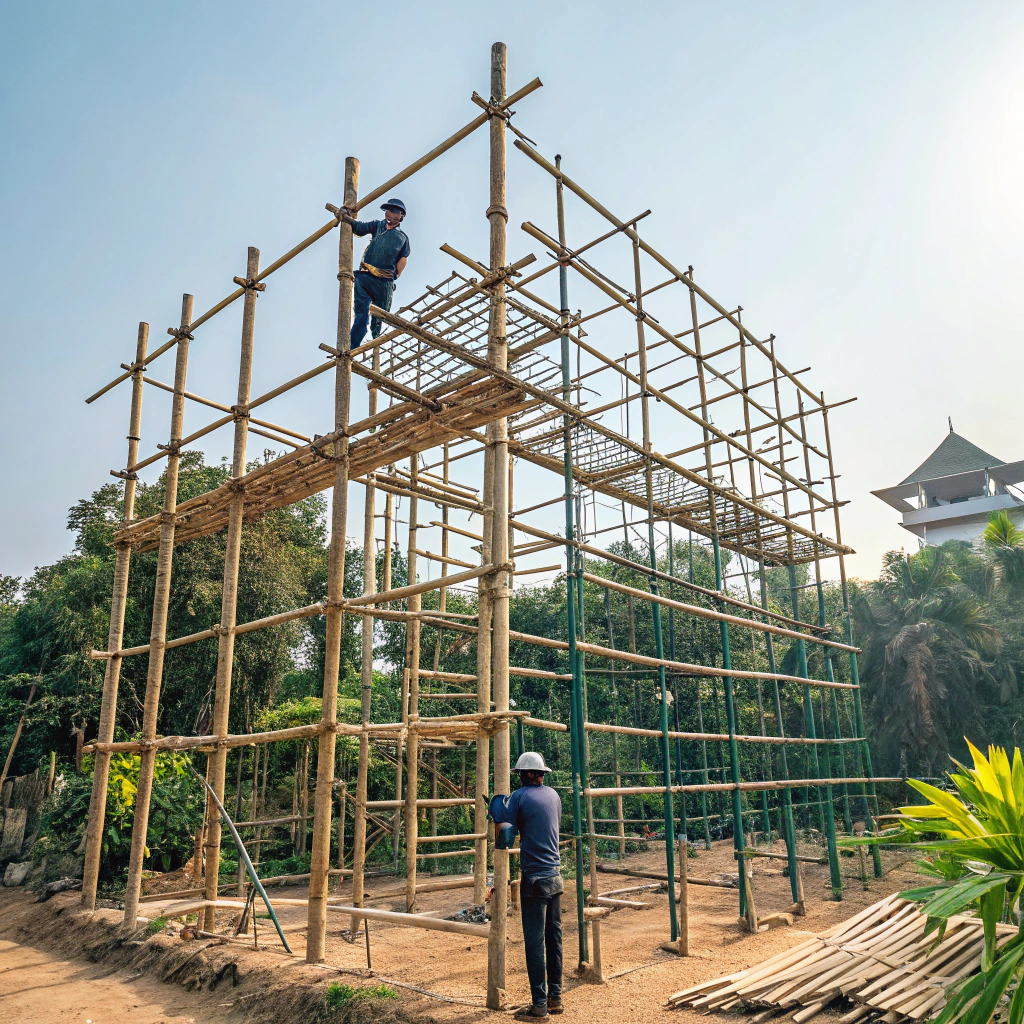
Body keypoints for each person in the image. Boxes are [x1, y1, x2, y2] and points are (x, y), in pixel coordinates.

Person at [490, 752, 563, 1019]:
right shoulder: (554, 796)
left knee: (534, 943)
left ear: (529, 774)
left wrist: (498, 806)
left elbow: (504, 831)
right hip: (555, 876)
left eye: (520, 773)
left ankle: (539, 1006)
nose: (519, 778)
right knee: (554, 939)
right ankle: (555, 999)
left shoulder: (520, 796)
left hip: (534, 878)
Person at [339, 197, 411, 349]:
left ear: (400, 216)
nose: (388, 214)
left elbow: (403, 259)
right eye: (387, 211)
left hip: (384, 283)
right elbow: (359, 227)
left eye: (392, 212)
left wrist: (394, 277)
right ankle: (351, 347)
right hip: (364, 278)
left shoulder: (402, 238)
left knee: (378, 320)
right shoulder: (377, 226)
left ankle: (376, 351)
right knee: (361, 316)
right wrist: (345, 217)